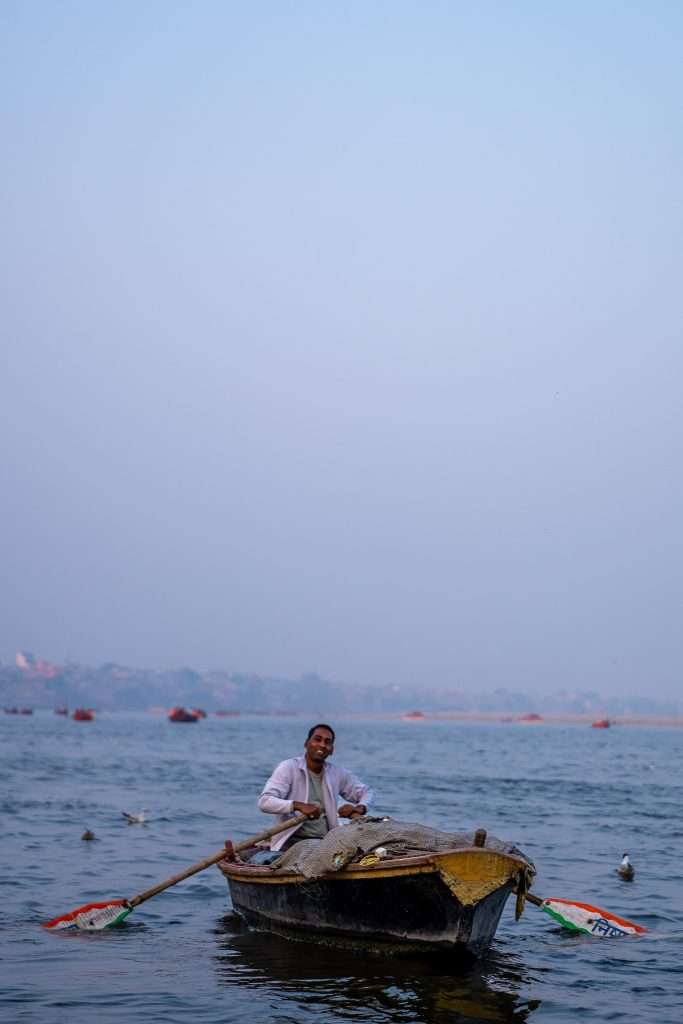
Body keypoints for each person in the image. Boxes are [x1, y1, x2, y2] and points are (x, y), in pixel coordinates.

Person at [258, 723, 373, 852]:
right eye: (317, 739)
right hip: (290, 843)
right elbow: (265, 802)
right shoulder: (288, 768)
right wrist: (298, 805)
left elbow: (366, 792)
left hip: (324, 843)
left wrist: (360, 808)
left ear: (331, 750)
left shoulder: (336, 773)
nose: (322, 745)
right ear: (306, 743)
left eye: (327, 742)